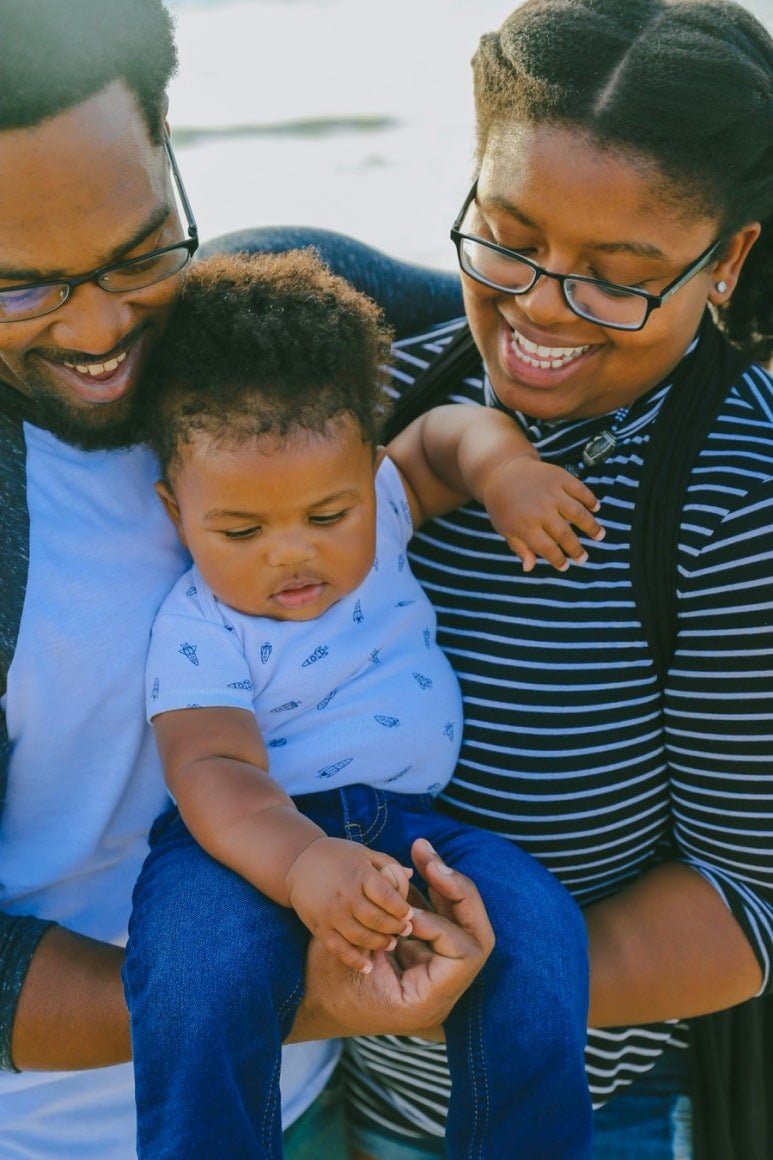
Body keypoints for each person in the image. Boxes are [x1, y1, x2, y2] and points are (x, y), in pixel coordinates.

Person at [0, 3, 493, 1157]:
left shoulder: (280, 320)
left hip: (312, 1103)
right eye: (23, 285)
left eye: (140, 252)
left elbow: (529, 306)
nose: (103, 322)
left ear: (168, 139)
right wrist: (320, 992)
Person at [314, 2, 770, 1158]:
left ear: (725, 260)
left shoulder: (739, 496)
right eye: (507, 237)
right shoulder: (380, 401)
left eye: (616, 278)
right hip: (346, 1098)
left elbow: (741, 909)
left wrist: (461, 983)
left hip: (585, 1117)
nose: (536, 307)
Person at [122, 247, 602, 1158]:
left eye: (326, 515)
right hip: (245, 850)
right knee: (193, 975)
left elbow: (450, 435)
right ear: (173, 507)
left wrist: (503, 473)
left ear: (369, 475)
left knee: (538, 937)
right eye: (239, 529)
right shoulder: (196, 626)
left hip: (418, 831)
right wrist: (305, 866)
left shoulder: (382, 503)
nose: (290, 554)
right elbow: (211, 771)